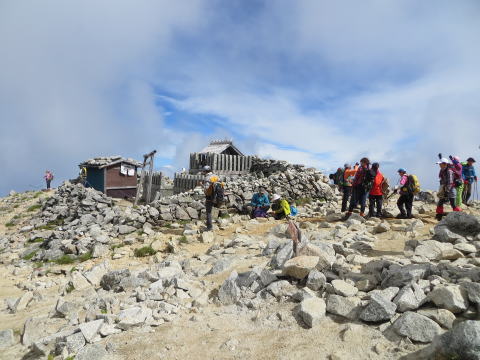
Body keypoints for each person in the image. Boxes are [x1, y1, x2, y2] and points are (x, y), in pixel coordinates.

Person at [201, 165, 219, 231]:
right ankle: (211, 223)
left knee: (208, 212)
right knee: (211, 210)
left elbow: (206, 189)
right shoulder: (216, 176)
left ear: (205, 171)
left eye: (203, 171)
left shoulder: (207, 178)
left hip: (209, 197)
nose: (203, 172)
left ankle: (209, 227)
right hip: (217, 196)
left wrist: (201, 185)